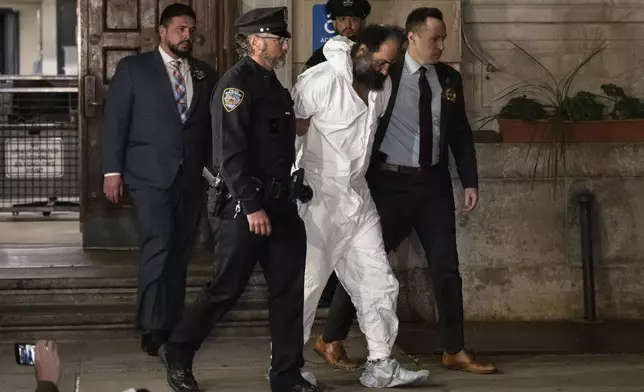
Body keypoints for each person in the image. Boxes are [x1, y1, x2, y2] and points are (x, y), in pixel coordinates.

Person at [316, 7, 499, 375]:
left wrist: (470, 180)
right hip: (388, 184)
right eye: (435, 39)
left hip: (432, 185)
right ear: (412, 38)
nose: (441, 46)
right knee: (367, 265)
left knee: (447, 267)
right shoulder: (387, 71)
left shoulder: (448, 78)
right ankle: (330, 338)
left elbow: (460, 133)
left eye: (444, 38)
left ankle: (454, 348)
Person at [158, 7, 317, 392]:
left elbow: (274, 141)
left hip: (280, 206)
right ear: (256, 41)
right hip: (244, 208)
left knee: (288, 291)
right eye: (278, 39)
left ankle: (287, 374)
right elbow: (230, 153)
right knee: (226, 288)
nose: (284, 45)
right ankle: (177, 349)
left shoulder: (275, 85)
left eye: (284, 39)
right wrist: (252, 204)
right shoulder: (235, 86)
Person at [291, 26, 430, 388]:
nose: (385, 71)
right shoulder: (318, 80)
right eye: (382, 62)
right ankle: (287, 367)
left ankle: (381, 364)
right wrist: (292, 180)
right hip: (317, 195)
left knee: (377, 281)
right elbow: (291, 134)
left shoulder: (378, 90)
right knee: (305, 286)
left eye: (391, 65)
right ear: (362, 51)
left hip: (357, 194)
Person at [101, 3, 216, 357]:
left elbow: (209, 129)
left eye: (191, 30)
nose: (187, 35)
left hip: (190, 178)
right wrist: (112, 171)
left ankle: (172, 320)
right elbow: (116, 121)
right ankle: (153, 326)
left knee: (180, 250)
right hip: (148, 175)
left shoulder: (203, 73)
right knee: (159, 244)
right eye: (181, 28)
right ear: (162, 32)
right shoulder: (134, 69)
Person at [303, 0, 371, 71]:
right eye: (342, 19)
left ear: (362, 23)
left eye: (354, 19)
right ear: (334, 23)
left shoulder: (371, 53)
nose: (348, 24)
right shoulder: (320, 56)